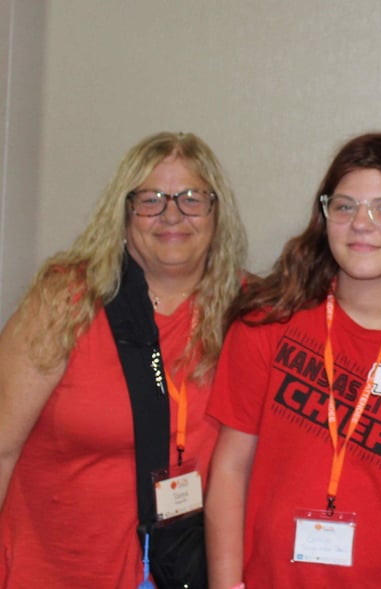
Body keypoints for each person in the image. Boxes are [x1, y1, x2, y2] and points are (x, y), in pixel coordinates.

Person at [0, 131, 248, 586]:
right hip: (56, 569)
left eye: (191, 198)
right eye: (151, 199)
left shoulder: (248, 314)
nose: (172, 214)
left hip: (182, 569)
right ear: (125, 211)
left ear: (216, 212)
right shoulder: (66, 301)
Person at [205, 132, 381, 589]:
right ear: (325, 215)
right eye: (344, 205)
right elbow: (230, 468)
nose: (361, 223)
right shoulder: (268, 321)